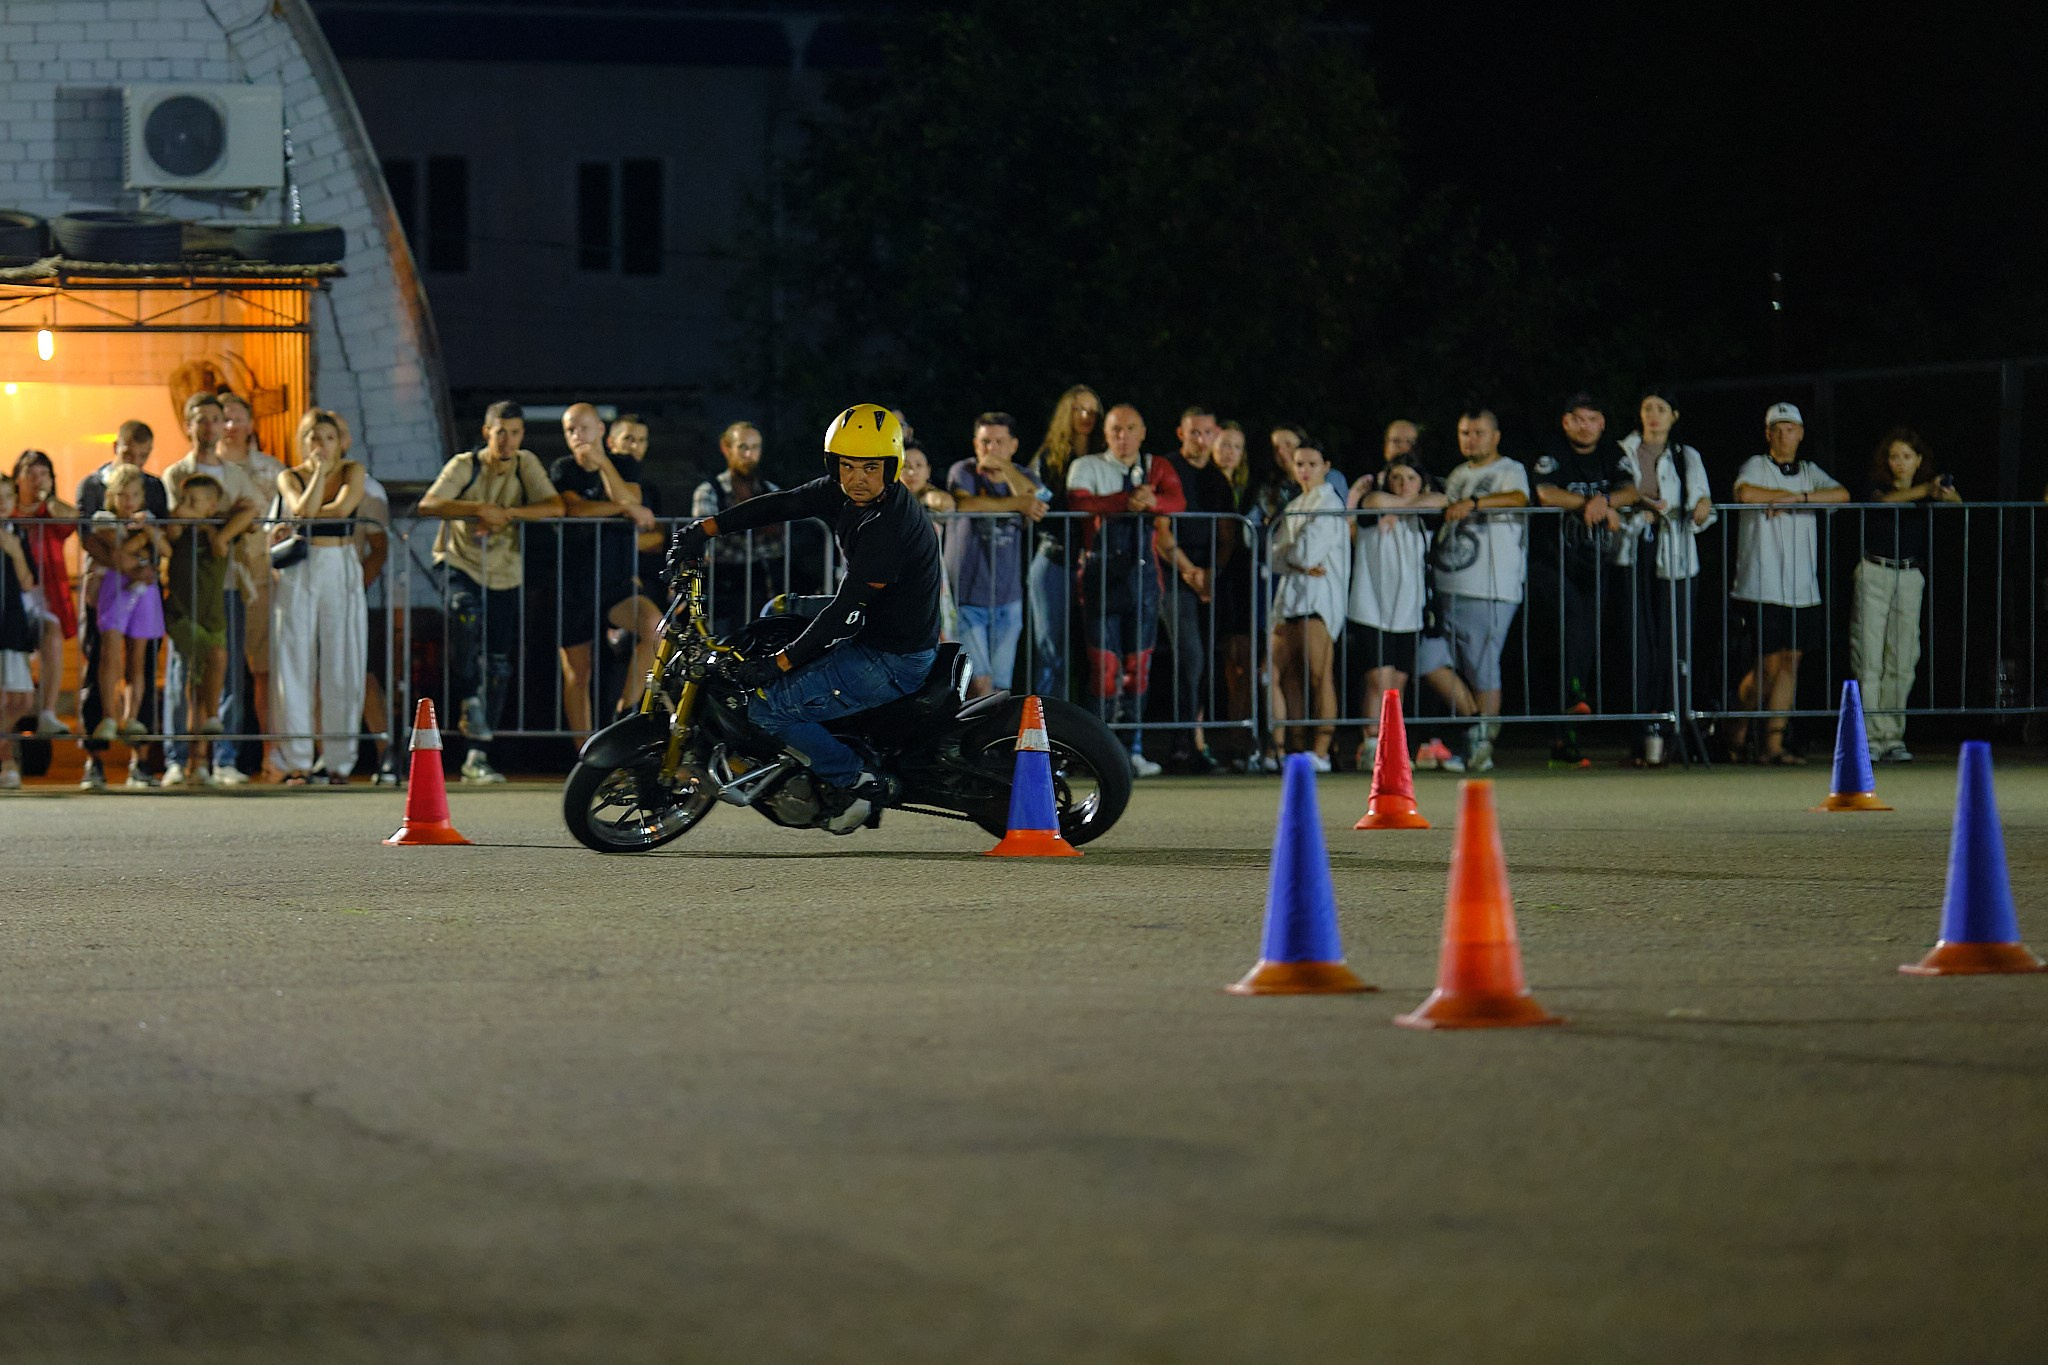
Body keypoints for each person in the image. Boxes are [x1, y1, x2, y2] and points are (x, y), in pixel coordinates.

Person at [666, 403, 943, 834]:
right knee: (775, 612)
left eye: (871, 467)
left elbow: (842, 612)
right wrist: (705, 529)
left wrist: (779, 664)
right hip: (870, 622)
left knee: (767, 709)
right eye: (847, 466)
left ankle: (857, 781)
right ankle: (819, 729)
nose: (858, 478)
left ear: (892, 467)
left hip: (891, 653)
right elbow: (783, 503)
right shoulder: (844, 491)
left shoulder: (887, 527)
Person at [416, 401, 565, 784]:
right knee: (465, 612)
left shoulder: (524, 463)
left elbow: (555, 505)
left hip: (505, 570)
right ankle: (468, 697)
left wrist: (508, 514)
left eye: (515, 432)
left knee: (498, 663)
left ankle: (477, 755)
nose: (507, 440)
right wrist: (480, 508)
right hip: (459, 561)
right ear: (486, 432)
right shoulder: (465, 464)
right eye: (500, 432)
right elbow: (429, 503)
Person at [1065, 403, 1187, 777]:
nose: (1123, 436)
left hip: (1146, 582)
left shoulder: (1156, 466)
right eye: (1116, 429)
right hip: (1099, 581)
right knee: (1104, 669)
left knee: (1138, 670)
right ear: (1106, 433)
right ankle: (1095, 752)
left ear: (1143, 432)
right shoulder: (1086, 466)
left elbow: (1177, 501)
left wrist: (1154, 501)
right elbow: (1080, 503)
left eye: (1130, 428)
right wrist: (1129, 501)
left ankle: (1131, 749)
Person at [1728, 402, 1848, 765]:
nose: (1784, 434)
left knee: (1791, 663)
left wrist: (1797, 498)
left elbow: (1841, 495)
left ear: (1801, 433)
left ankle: (1773, 746)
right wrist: (1782, 497)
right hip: (1761, 583)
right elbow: (1745, 493)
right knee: (1767, 665)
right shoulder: (1756, 465)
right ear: (1768, 434)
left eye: (1790, 428)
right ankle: (1736, 731)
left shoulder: (1810, 472)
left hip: (1800, 586)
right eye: (1777, 429)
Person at [1415, 408, 1531, 774]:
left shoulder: (1509, 469)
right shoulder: (1457, 474)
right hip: (1449, 584)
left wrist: (1476, 504)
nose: (1471, 439)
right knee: (1427, 660)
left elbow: (1519, 499)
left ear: (1495, 436)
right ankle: (1478, 725)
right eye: (1465, 432)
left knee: (1482, 666)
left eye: (1479, 432)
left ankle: (1481, 746)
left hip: (1489, 586)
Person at [1531, 391, 1636, 767]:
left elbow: (1631, 489)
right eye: (1578, 419)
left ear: (1602, 423)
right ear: (1565, 421)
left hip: (1595, 563)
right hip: (1553, 563)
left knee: (1584, 641)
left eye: (1592, 419)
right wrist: (1589, 504)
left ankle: (1568, 737)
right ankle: (1572, 698)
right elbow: (1545, 493)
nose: (1585, 426)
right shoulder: (1553, 450)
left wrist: (1606, 502)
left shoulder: (1611, 452)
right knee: (1568, 631)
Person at [161, 392, 260, 787]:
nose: (207, 427)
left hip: (227, 580)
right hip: (185, 582)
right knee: (182, 670)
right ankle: (177, 756)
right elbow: (175, 518)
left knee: (225, 668)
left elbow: (251, 510)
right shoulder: (175, 474)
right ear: (189, 426)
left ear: (224, 426)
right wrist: (212, 522)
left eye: (214, 419)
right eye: (199, 419)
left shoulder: (236, 475)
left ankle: (222, 757)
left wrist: (222, 532)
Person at [1614, 388, 1715, 767]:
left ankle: (1673, 730)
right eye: (1646, 409)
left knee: (1676, 647)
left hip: (1676, 559)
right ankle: (1642, 732)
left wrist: (1703, 504)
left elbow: (1701, 500)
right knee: (1642, 645)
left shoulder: (1686, 456)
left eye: (1660, 409)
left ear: (1674, 415)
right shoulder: (1624, 451)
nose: (1653, 416)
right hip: (1636, 552)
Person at [270, 408, 369, 786]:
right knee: (293, 658)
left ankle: (338, 761)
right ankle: (297, 759)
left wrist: (309, 509)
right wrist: (315, 480)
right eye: (313, 438)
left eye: (328, 438)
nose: (321, 445)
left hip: (339, 562)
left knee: (343, 658)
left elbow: (343, 507)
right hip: (301, 566)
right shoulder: (289, 475)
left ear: (339, 441)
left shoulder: (352, 471)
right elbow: (299, 509)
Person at [550, 402, 661, 738]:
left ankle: (625, 713)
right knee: (577, 674)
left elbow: (630, 495)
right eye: (570, 429)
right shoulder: (563, 468)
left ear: (601, 431)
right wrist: (625, 509)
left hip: (616, 581)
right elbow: (576, 509)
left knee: (654, 627)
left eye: (584, 427)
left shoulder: (625, 463)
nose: (577, 435)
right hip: (574, 582)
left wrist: (603, 466)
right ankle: (586, 755)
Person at [1853, 427, 1956, 764]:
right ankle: (1867, 736)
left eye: (1906, 457)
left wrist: (1941, 491)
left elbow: (1957, 502)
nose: (1899, 463)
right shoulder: (1876, 486)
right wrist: (1925, 489)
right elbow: (1882, 501)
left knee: (1903, 659)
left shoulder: (1927, 490)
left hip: (1910, 575)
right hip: (1875, 572)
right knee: (1870, 658)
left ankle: (1892, 736)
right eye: (1894, 456)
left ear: (1919, 460)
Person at [75, 421, 169, 789]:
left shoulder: (153, 487)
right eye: (130, 452)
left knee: (141, 663)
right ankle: (94, 758)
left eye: (144, 456)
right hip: (105, 583)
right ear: (116, 445)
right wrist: (124, 563)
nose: (137, 460)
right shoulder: (93, 485)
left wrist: (146, 565)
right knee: (98, 660)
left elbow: (162, 533)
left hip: (144, 585)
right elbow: (87, 536)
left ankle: (140, 760)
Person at [1346, 455, 1444, 768]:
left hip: (1408, 611)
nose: (1403, 485)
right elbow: (1372, 500)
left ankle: (1390, 745)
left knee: (1397, 684)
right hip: (1371, 607)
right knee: (1378, 679)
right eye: (1397, 478)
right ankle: (1371, 743)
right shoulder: (1373, 508)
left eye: (1411, 478)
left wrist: (1406, 506)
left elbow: (1443, 500)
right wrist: (1405, 504)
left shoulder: (1420, 518)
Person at [1156, 405, 1236, 772]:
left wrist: (1211, 573)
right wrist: (1190, 572)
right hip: (1174, 576)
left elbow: (1227, 532)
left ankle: (1195, 741)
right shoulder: (1166, 469)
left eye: (1207, 433)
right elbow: (1161, 532)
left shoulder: (1219, 480)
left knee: (1204, 663)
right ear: (1181, 433)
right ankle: (1181, 744)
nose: (1201, 441)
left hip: (1209, 578)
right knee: (1189, 657)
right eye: (1194, 433)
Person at [944, 413, 1045, 697]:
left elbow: (1038, 497)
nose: (991, 449)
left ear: (1014, 445)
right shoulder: (963, 471)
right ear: (975, 443)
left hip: (1007, 599)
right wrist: (1018, 504)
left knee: (1001, 687)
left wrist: (1003, 467)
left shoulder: (1023, 476)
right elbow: (965, 504)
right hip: (967, 598)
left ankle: (995, 742)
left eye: (1000, 442)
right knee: (979, 683)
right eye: (985, 442)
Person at [1266, 442, 1351, 771]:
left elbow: (1302, 554)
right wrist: (1294, 560)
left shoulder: (1330, 503)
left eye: (1312, 463)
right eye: (1299, 463)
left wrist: (1292, 558)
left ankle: (1321, 750)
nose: (1304, 469)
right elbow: (1275, 556)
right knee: (1278, 674)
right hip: (1289, 601)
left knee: (1319, 676)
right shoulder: (1296, 504)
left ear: (1325, 466)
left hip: (1318, 601)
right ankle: (1291, 748)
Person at [216, 389, 287, 776]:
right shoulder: (205, 471)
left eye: (236, 417)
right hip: (220, 577)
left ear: (250, 424)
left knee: (264, 669)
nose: (230, 426)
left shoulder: (273, 471)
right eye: (222, 418)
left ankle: (270, 755)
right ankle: (219, 755)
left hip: (262, 578)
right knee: (220, 668)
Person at [1023, 385, 1104, 700]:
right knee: (1051, 650)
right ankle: (1044, 731)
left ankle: (1084, 732)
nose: (1086, 416)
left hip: (1096, 563)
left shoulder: (1104, 455)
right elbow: (1040, 505)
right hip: (1054, 559)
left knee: (1092, 652)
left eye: (1092, 410)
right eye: (1078, 409)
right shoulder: (1048, 455)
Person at [87, 464, 166, 759]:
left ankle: (131, 717)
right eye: (122, 495)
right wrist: (144, 543)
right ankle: (109, 715)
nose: (129, 501)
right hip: (115, 587)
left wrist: (149, 537)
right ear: (112, 496)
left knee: (138, 655)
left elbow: (165, 549)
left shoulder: (148, 519)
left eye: (134, 494)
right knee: (110, 651)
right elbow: (119, 556)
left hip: (145, 590)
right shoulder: (104, 519)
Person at [161, 474, 232, 785]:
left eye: (195, 501)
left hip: (212, 617)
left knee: (199, 690)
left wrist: (209, 527)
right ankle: (212, 720)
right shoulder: (178, 530)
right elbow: (175, 526)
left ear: (213, 505)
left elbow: (245, 515)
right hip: (181, 616)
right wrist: (188, 516)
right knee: (213, 659)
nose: (185, 507)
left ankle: (199, 759)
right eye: (184, 500)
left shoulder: (219, 533)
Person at [692, 421, 785, 637]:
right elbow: (710, 546)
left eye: (755, 447)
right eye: (743, 447)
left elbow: (779, 545)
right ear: (726, 448)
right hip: (720, 590)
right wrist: (759, 532)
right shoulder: (709, 492)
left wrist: (733, 534)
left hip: (762, 587)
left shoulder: (771, 491)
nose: (749, 454)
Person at [11, 450, 77, 737]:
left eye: (44, 474)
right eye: (31, 473)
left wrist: (48, 501)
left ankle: (48, 712)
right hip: (11, 595)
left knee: (51, 634)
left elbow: (74, 521)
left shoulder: (51, 512)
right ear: (17, 479)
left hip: (44, 593)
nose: (38, 480)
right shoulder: (6, 511)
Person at [1208, 420, 1261, 767]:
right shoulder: (1209, 482)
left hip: (1244, 577)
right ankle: (1232, 735)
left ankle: (1241, 734)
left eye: (1236, 447)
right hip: (1221, 578)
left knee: (1246, 661)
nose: (1229, 452)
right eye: (1224, 444)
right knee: (1230, 661)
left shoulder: (1248, 486)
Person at [0, 473, 40, 788]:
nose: (2, 504)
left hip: (12, 622)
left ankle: (4, 752)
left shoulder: (18, 534)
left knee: (22, 700)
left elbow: (28, 582)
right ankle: (7, 757)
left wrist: (14, 552)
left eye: (7, 497)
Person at [897, 441, 957, 641]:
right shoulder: (882, 503)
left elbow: (946, 504)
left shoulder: (932, 500)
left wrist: (925, 499)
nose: (911, 472)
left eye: (918, 465)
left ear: (928, 471)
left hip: (930, 584)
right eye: (905, 466)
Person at [1343, 419, 1423, 501]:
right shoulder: (1367, 481)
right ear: (1385, 444)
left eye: (1409, 442)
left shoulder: (1427, 479)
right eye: (1396, 441)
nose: (1402, 446)